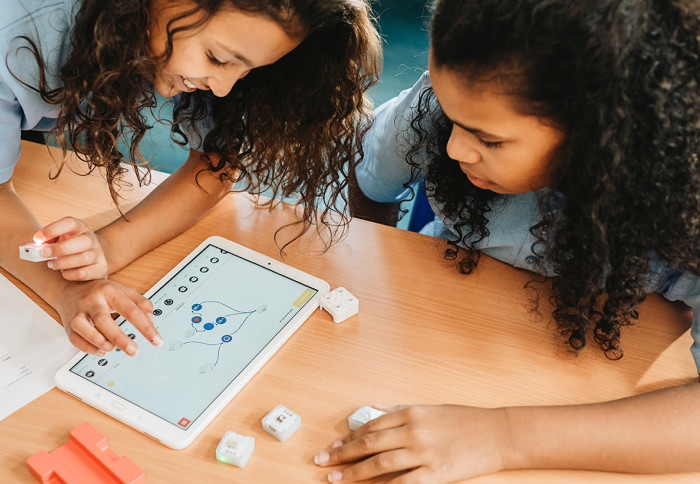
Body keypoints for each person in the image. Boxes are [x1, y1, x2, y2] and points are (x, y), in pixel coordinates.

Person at [314, 0, 700, 482]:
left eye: (489, 140)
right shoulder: (438, 104)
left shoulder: (684, 197)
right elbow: (369, 186)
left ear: (603, 135)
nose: (454, 149)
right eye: (451, 116)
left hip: (597, 392)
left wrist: (500, 437)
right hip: (442, 336)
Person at [0, 0, 379, 356]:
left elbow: (216, 165)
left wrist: (108, 247)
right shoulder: (12, 31)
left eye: (247, 70)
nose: (223, 87)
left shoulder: (175, 35)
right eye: (217, 58)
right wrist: (64, 289)